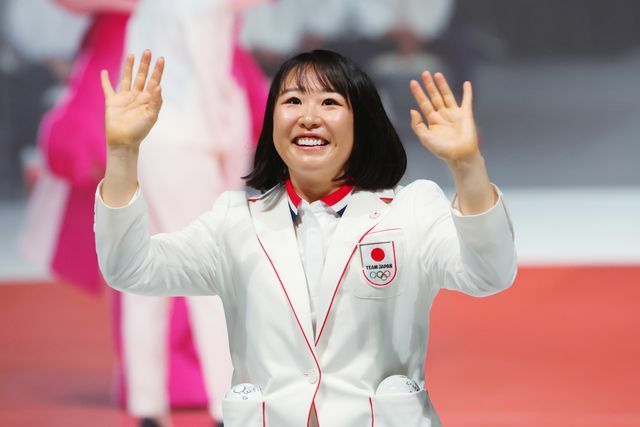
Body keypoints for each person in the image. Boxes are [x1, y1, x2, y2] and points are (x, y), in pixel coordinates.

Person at [95, 49, 517, 426]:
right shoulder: (234, 220)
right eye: (292, 100)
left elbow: (489, 274)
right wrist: (122, 154)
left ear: (363, 124)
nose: (308, 116)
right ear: (272, 122)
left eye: (330, 102)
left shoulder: (411, 211)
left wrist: (467, 166)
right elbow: (130, 269)